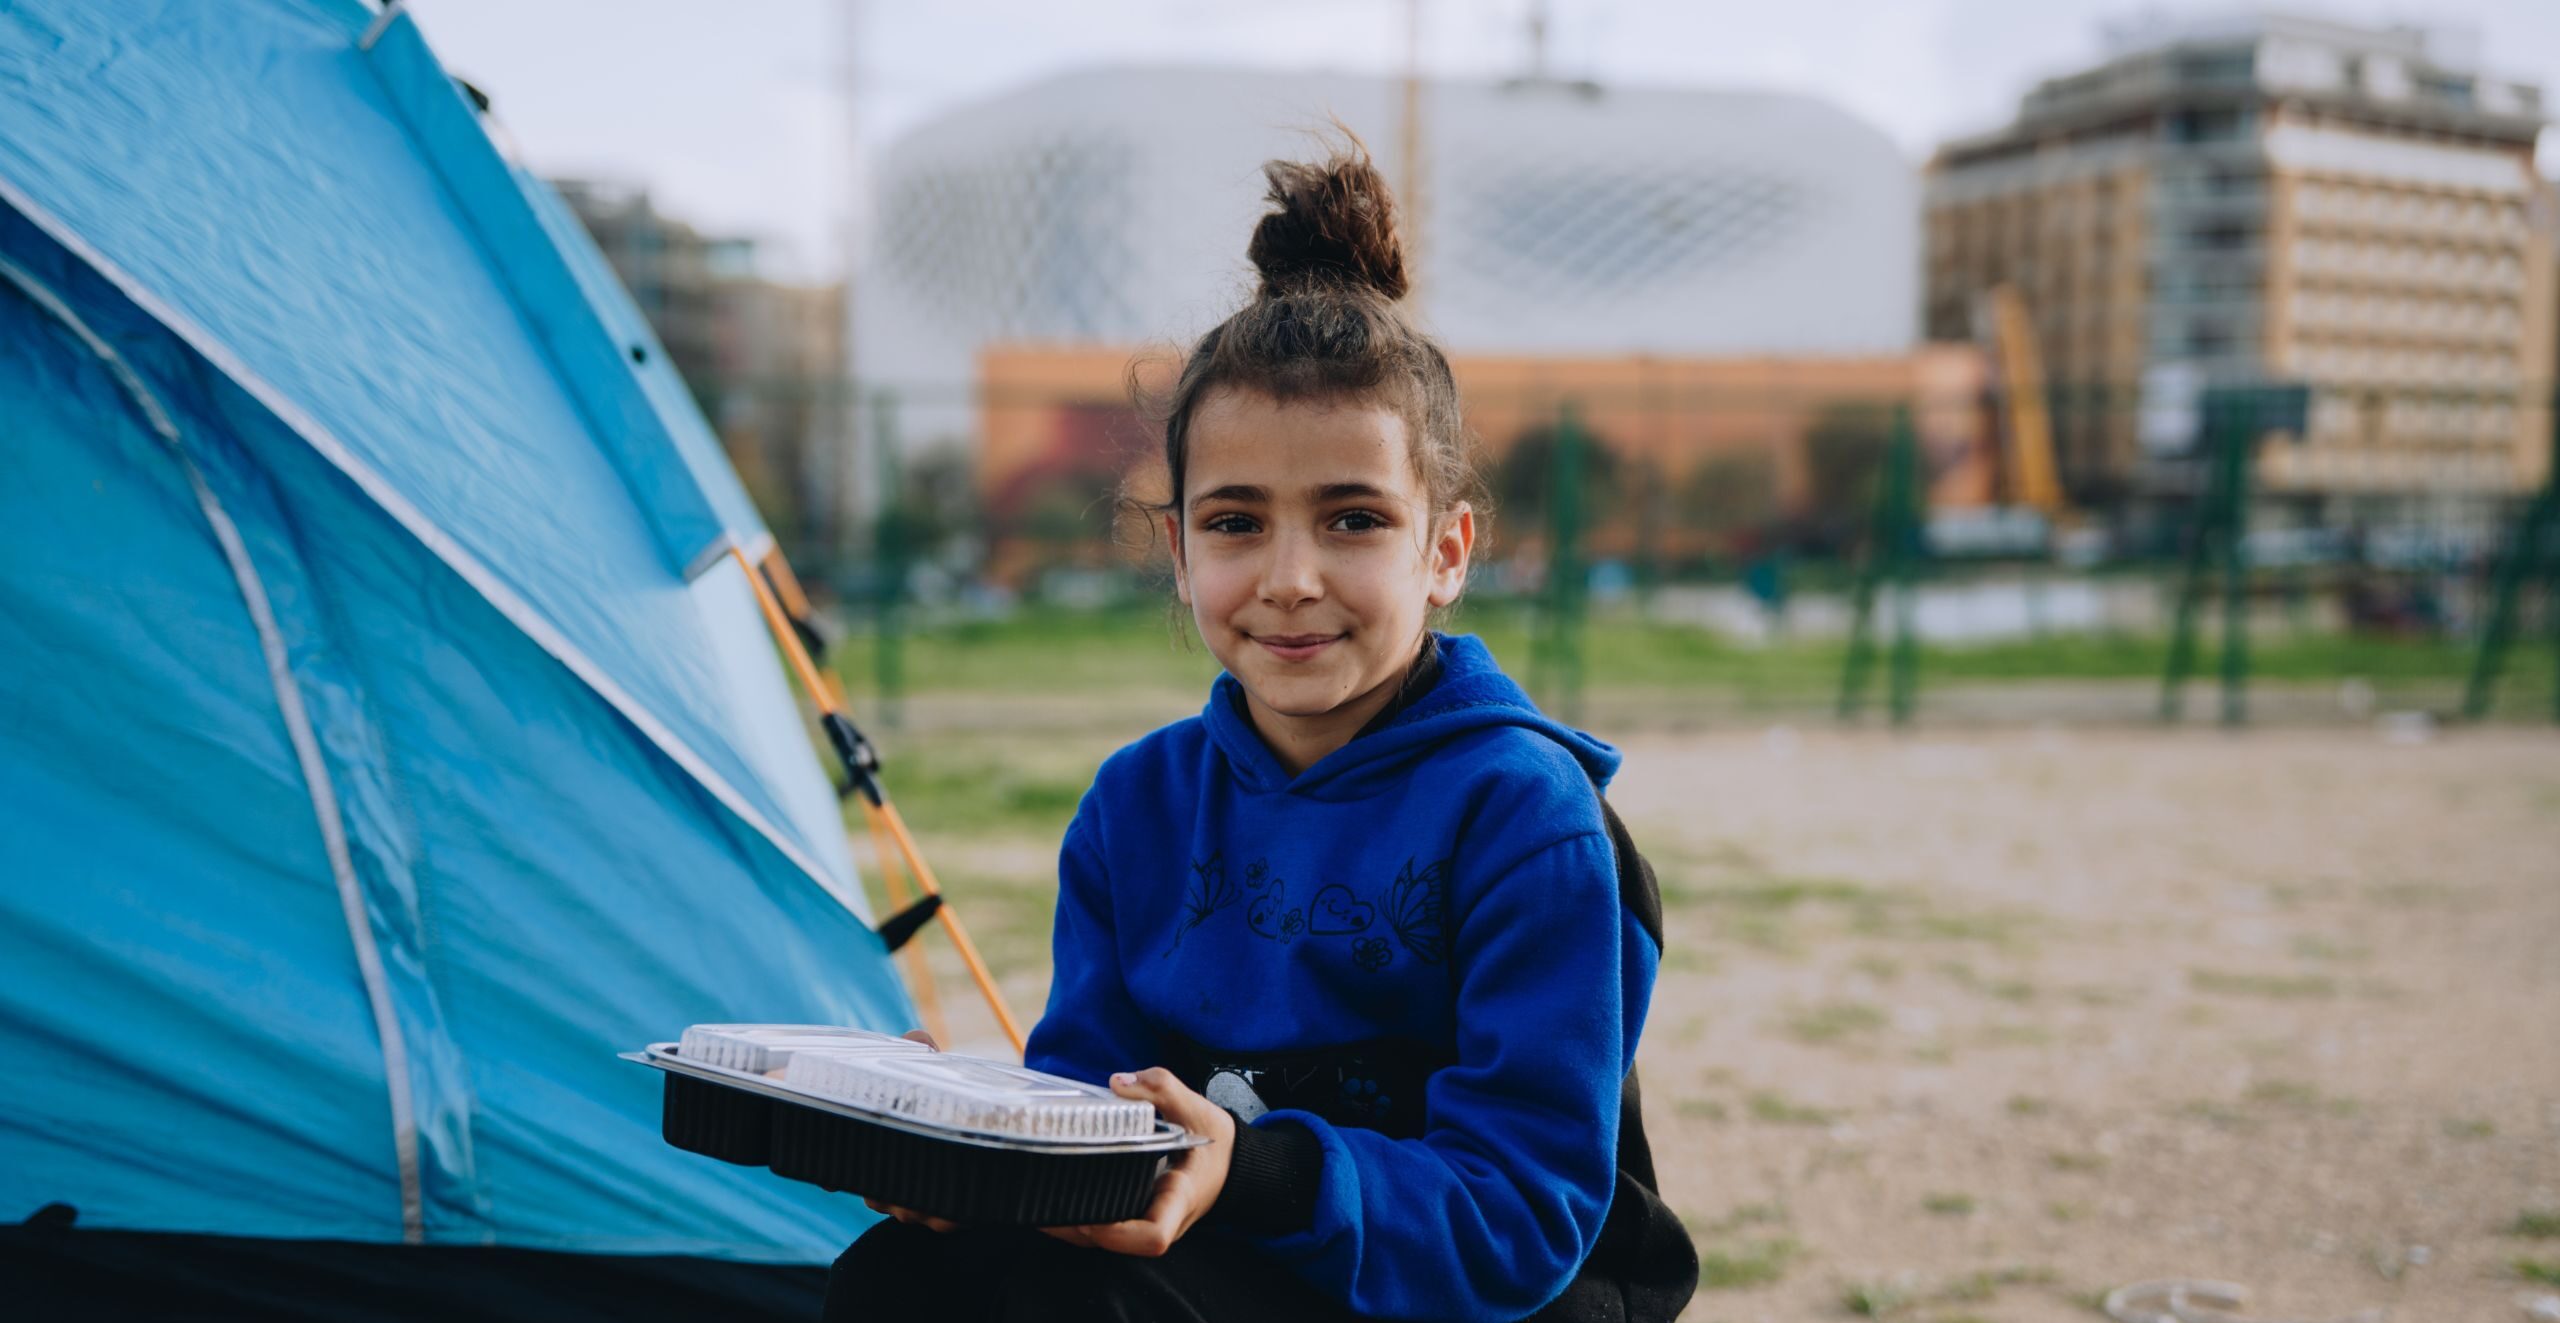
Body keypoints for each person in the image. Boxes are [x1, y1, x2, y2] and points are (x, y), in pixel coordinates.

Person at [825, 140, 1695, 1323]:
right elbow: (1094, 1104)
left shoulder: (1524, 818)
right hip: (1225, 1254)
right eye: (1236, 522)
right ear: (1179, 551)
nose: (1289, 577)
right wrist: (982, 1165)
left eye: (1351, 519)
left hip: (1488, 1287)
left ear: (1445, 553)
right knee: (902, 1282)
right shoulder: (1136, 808)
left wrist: (1255, 1170)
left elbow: (1521, 1214)